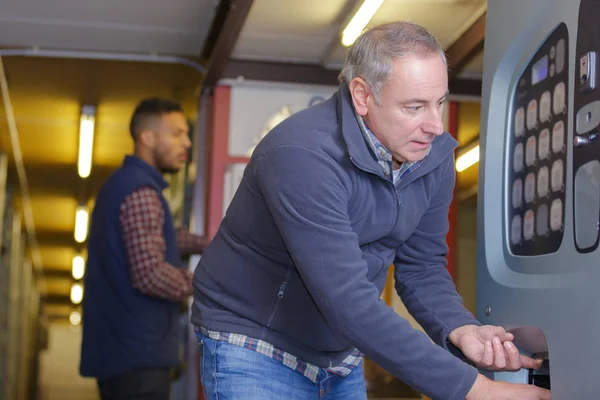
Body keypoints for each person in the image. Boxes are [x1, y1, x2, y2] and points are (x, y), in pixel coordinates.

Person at [191, 21, 551, 400]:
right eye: (414, 107)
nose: (435, 125)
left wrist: (460, 328)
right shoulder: (302, 157)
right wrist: (479, 390)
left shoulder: (432, 154)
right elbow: (348, 301)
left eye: (439, 102)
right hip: (256, 341)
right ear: (362, 95)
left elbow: (422, 266)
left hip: (339, 349)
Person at [80, 98, 209, 399]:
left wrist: (213, 243)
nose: (187, 143)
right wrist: (212, 282)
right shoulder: (140, 192)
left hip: (123, 355)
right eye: (176, 133)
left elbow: (159, 236)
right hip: (137, 358)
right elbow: (150, 274)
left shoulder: (126, 185)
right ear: (147, 138)